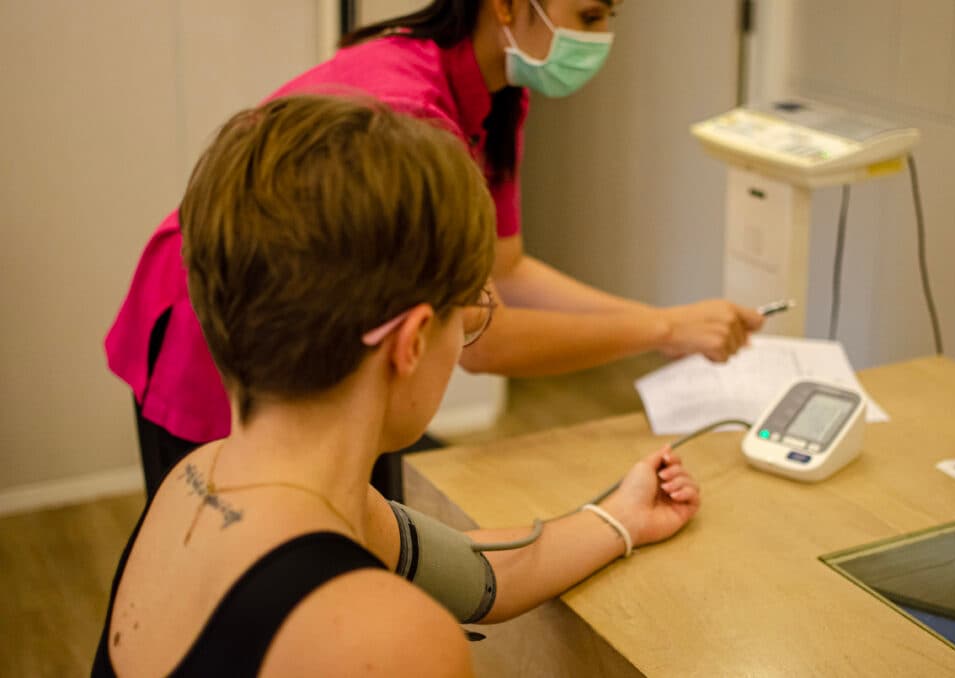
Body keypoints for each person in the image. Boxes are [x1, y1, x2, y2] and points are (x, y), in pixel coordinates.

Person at [93, 95, 702, 677]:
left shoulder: (196, 480)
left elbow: (484, 574)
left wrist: (621, 518)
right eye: (465, 320)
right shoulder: (382, 638)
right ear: (410, 342)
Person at [105, 0, 764, 499]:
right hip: (220, 319)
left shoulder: (498, 91)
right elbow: (482, 336)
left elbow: (504, 269)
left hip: (322, 331)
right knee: (225, 554)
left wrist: (666, 323)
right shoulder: (413, 113)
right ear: (505, 6)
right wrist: (663, 329)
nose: (599, 41)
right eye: (588, 17)